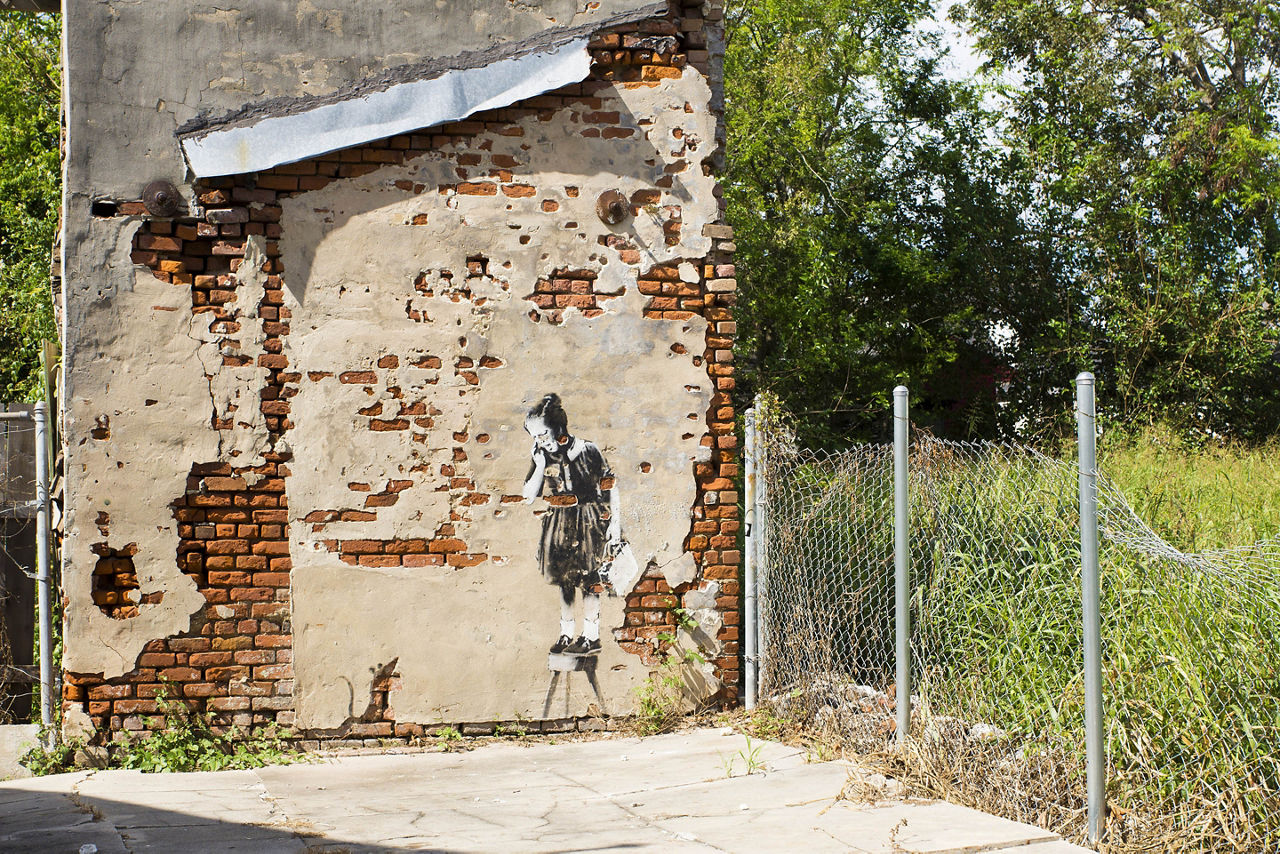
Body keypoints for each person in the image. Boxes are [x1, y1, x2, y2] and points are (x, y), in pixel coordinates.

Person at [521, 394, 621, 655]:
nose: (538, 441)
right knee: (565, 581)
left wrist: (614, 528)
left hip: (588, 521)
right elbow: (528, 496)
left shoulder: (588, 449)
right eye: (533, 436)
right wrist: (540, 465)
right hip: (558, 524)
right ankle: (566, 633)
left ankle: (590, 636)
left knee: (590, 579)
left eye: (542, 434)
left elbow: (609, 486)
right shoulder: (542, 456)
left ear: (558, 428)